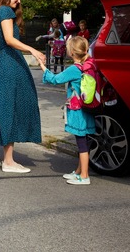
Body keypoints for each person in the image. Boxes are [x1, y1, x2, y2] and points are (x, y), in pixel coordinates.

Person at [0, 0, 46, 173]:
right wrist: (33, 50)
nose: (19, 1)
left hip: (2, 65)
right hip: (12, 63)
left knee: (6, 107)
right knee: (13, 108)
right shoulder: (5, 12)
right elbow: (10, 40)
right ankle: (8, 161)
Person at [39, 36, 96, 185]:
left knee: (81, 143)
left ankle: (84, 176)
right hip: (88, 109)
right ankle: (79, 171)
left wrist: (42, 66)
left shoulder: (74, 69)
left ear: (71, 52)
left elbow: (55, 79)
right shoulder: (90, 64)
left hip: (77, 111)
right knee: (85, 141)